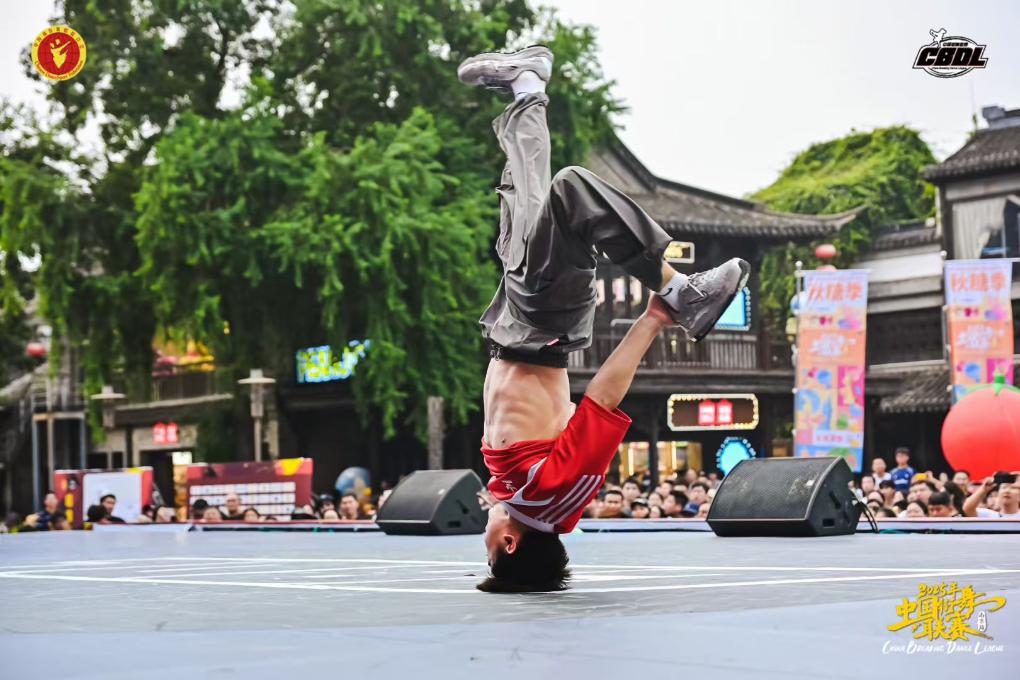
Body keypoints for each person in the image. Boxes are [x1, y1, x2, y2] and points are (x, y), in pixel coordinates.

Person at [462, 45, 748, 593]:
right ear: (509, 544)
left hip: (515, 325)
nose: (484, 540)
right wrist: (654, 319)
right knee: (572, 190)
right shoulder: (553, 495)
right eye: (490, 553)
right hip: (542, 325)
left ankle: (526, 87)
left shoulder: (520, 497)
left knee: (524, 196)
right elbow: (601, 401)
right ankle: (680, 291)